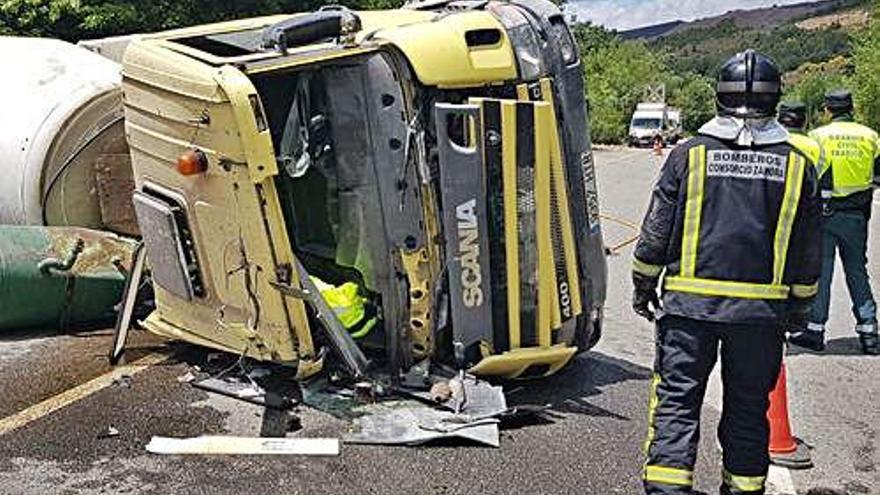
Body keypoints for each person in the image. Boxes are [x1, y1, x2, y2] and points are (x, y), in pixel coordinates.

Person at [632, 50, 821, 495]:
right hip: (760, 319)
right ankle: (743, 489)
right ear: (776, 100)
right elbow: (807, 253)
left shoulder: (687, 156)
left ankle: (667, 490)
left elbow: (656, 230)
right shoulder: (798, 166)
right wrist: (799, 307)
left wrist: (643, 283)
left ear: (719, 97)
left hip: (687, 314)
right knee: (748, 411)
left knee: (677, 406)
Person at [788, 90, 880, 355]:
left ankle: (815, 331)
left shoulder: (818, 137)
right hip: (856, 214)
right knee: (857, 271)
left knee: (823, 272)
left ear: (827, 110)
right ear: (852, 108)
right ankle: (869, 331)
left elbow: (812, 175)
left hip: (825, 213)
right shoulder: (870, 136)